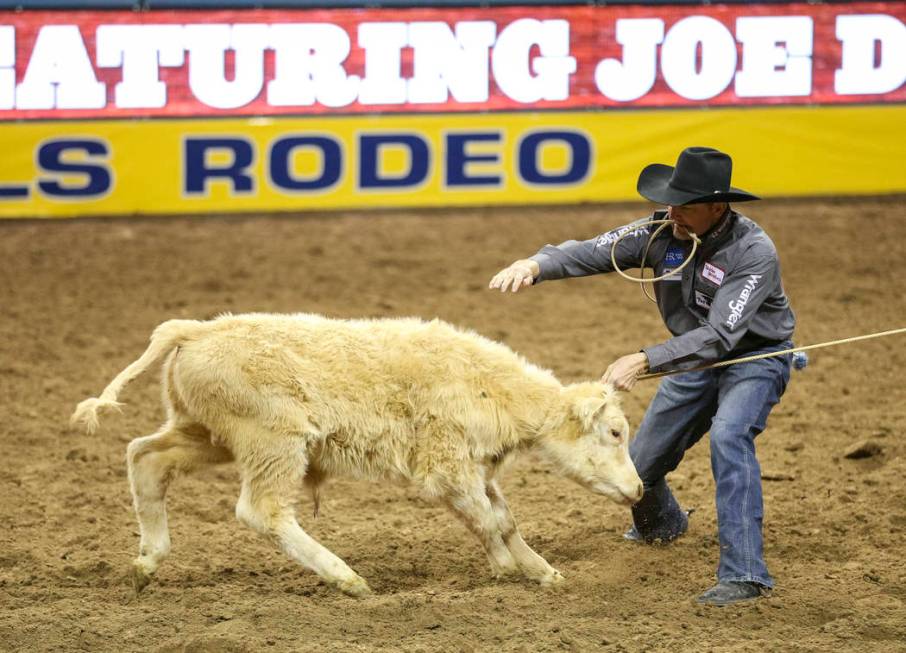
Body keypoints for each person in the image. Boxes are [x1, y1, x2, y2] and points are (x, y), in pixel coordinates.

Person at [488, 146, 795, 606]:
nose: (673, 212)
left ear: (717, 206)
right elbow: (596, 250)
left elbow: (721, 337)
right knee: (643, 463)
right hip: (690, 360)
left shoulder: (753, 251)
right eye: (672, 200)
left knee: (730, 437)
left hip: (752, 360)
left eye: (685, 205)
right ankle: (663, 524)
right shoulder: (661, 230)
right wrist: (536, 264)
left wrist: (646, 358)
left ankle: (746, 574)